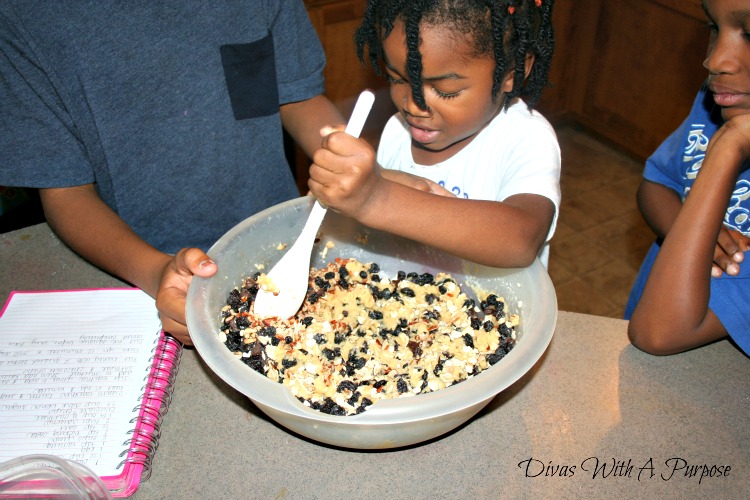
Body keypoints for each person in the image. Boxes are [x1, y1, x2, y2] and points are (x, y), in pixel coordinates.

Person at [0, 1, 345, 345]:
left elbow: (299, 97)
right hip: (137, 269)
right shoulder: (24, 15)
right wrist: (156, 271)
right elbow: (65, 193)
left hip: (287, 246)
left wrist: (354, 173)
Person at [307, 0, 560, 269]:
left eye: (446, 91)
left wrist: (374, 199)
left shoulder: (526, 138)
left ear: (511, 73)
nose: (413, 105)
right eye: (398, 79)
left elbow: (521, 240)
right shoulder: (397, 130)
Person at [625, 0, 750, 356]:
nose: (714, 60)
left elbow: (659, 334)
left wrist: (729, 145)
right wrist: (696, 236)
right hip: (650, 318)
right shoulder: (719, 101)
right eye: (714, 28)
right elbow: (656, 184)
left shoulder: (733, 119)